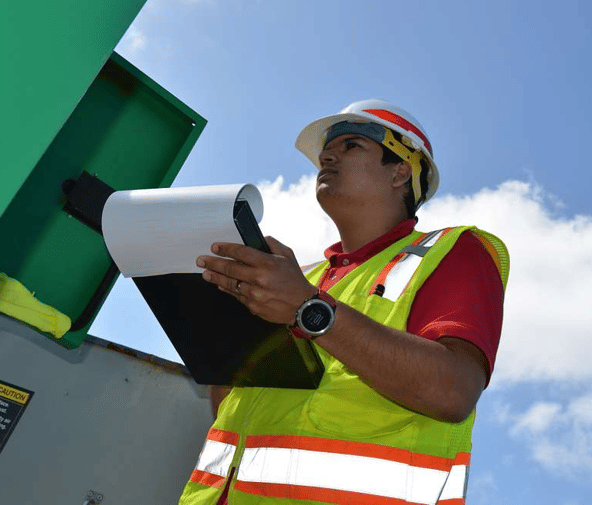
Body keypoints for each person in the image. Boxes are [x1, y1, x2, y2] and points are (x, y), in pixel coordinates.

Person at [179, 99, 509, 505]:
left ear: (400, 172)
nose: (328, 155)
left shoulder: (451, 250)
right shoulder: (303, 279)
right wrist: (228, 329)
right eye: (326, 151)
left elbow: (453, 392)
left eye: (352, 145)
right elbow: (232, 410)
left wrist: (308, 309)